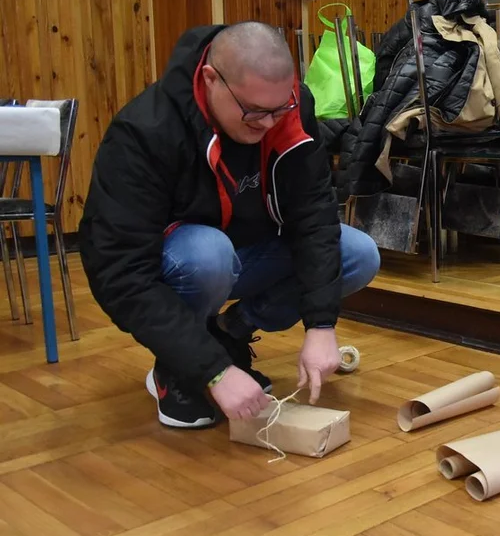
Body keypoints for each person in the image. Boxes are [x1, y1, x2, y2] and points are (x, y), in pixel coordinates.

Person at [79, 22, 381, 430]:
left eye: (281, 108)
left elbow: (315, 216)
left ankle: (228, 332)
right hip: (187, 266)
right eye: (255, 112)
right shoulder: (144, 132)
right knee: (208, 255)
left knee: (357, 253)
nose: (269, 124)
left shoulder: (292, 109)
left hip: (252, 253)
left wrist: (322, 323)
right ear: (210, 80)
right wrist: (214, 371)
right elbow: (119, 272)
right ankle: (178, 368)